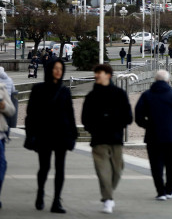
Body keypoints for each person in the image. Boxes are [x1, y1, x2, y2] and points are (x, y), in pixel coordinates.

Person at [25, 58, 78, 214]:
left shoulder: (64, 91)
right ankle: (41, 191)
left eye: (61, 68)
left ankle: (56, 200)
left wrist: (73, 134)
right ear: (50, 70)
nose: (58, 71)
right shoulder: (38, 89)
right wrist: (31, 134)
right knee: (44, 167)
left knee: (60, 169)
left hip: (61, 134)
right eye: (55, 68)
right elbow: (31, 114)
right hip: (44, 134)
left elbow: (70, 113)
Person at [82, 63, 133, 214]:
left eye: (100, 73)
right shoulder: (91, 96)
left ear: (108, 75)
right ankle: (108, 199)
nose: (97, 75)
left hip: (116, 138)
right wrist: (93, 128)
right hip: (98, 139)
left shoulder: (119, 94)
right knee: (103, 170)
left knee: (117, 170)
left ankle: (108, 193)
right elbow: (85, 118)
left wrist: (118, 123)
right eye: (96, 73)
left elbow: (128, 116)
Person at [135, 70, 172, 201]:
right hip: (171, 136)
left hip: (153, 136)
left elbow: (138, 115)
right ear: (168, 81)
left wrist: (147, 125)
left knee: (156, 165)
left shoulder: (147, 95)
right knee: (171, 165)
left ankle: (161, 192)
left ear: (155, 80)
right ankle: (169, 190)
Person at [0, 75, 16, 209]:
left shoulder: (2, 87)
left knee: (2, 166)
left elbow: (12, 110)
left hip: (0, 134)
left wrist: (3, 106)